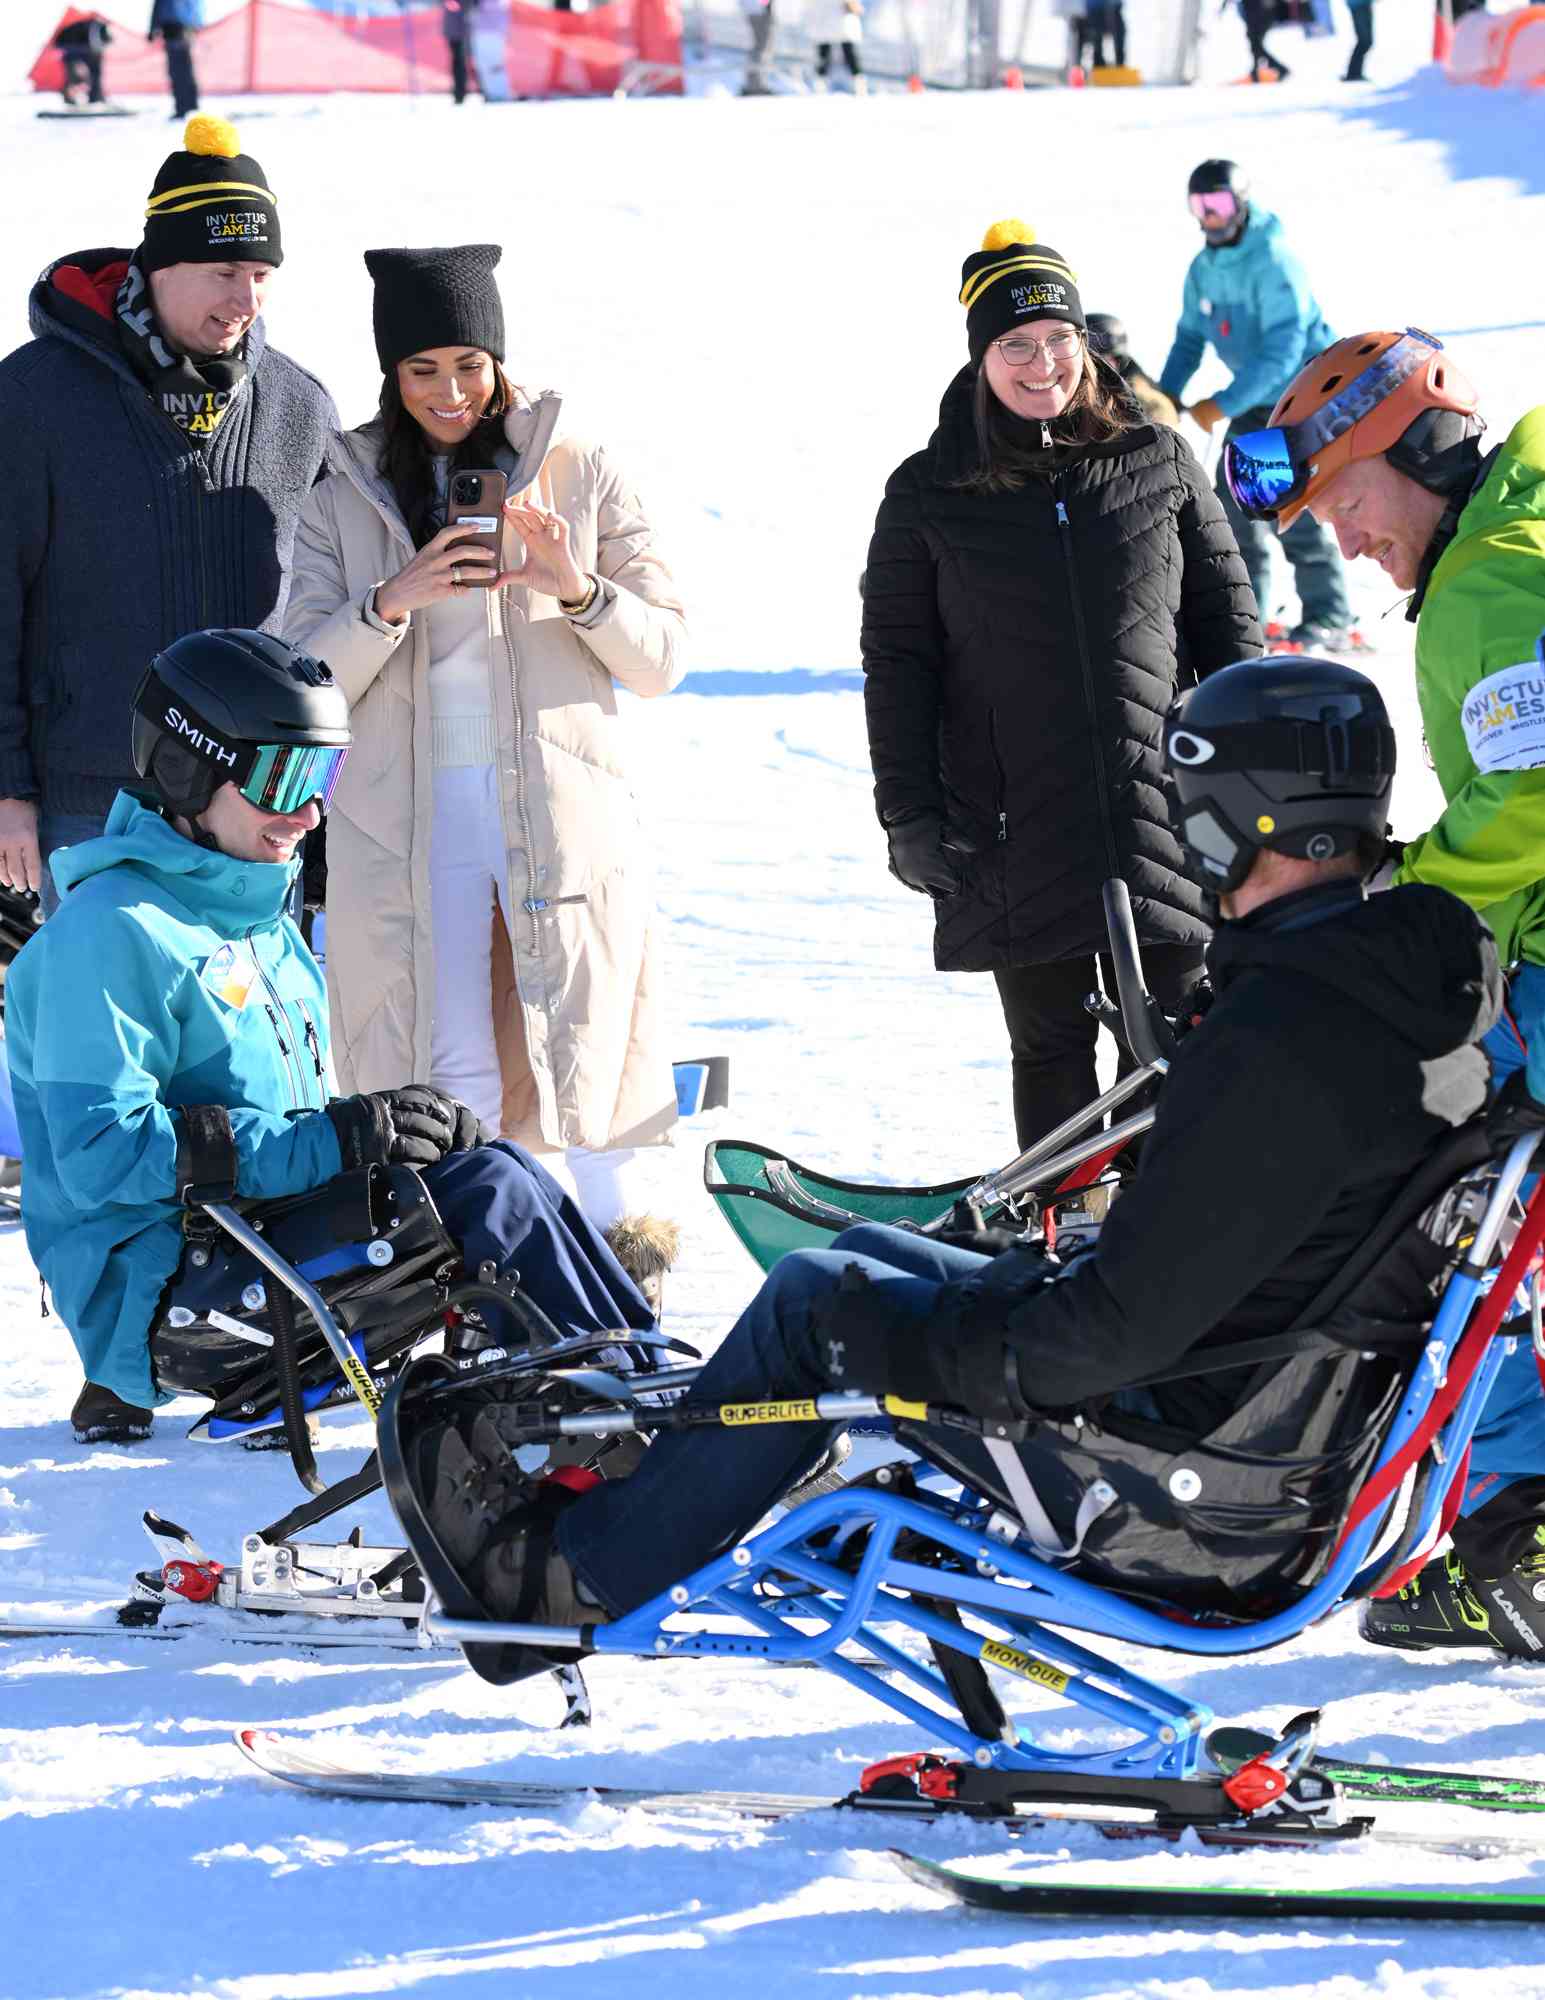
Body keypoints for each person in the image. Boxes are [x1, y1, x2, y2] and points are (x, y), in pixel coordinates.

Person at [393, 656, 1516, 1656]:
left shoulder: (1282, 1042)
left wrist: (947, 1339)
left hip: (1189, 1491)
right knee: (879, 1254)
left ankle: (562, 1578)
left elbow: (1105, 1336)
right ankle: (651, 1495)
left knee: (819, 1303)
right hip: (1252, 1430)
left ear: (1243, 822)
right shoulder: (1415, 1003)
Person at [4, 630, 656, 1447]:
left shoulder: (253, 919)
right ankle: (622, 1411)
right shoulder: (107, 937)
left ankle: (644, 1377)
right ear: (187, 770)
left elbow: (281, 1122)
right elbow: (102, 1154)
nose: (308, 813)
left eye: (321, 778)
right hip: (165, 1296)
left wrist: (382, 1129)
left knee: (494, 1166)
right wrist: (342, 1140)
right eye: (282, 778)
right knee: (484, 1195)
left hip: (241, 1245)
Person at [1220, 328, 1545, 1648]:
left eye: (1347, 499)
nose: (1345, 542)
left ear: (1414, 450)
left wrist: (1393, 900)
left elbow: (1530, 798)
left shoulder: (1486, 588)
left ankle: (1515, 1532)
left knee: (1444, 1217)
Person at [283, 245, 686, 1290]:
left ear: (500, 361)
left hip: (559, 804)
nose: (450, 392)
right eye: (422, 370)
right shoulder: (345, 491)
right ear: (392, 377)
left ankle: (621, 1265)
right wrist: (393, 598)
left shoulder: (578, 470)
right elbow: (298, 673)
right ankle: (476, 1272)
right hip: (404, 817)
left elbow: (664, 656)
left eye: (468, 363)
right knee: (439, 1044)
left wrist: (576, 584)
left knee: (583, 1037)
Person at [860, 221, 1261, 1155]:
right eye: (1015, 345)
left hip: (1161, 807)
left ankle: (1162, 1246)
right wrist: (907, 813)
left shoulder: (1157, 461)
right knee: (1047, 1047)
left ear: (1084, 344)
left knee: (1169, 1042)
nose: (1041, 364)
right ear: (980, 356)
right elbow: (899, 667)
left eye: (1057, 341)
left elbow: (1228, 629)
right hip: (1008, 819)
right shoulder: (928, 492)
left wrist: (1249, 785)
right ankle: (1062, 1240)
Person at [0, 114, 335, 921]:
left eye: (260, 274)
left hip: (256, 805)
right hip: (89, 802)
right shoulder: (33, 399)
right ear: (157, 263)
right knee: (97, 1038)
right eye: (223, 271)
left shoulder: (298, 407)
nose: (244, 299)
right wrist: (7, 786)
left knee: (240, 1043)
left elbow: (330, 603)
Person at [1159, 162, 1355, 653]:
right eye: (1200, 207)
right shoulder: (1203, 270)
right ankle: (1252, 616)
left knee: (1290, 505)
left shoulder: (1273, 259)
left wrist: (1222, 403)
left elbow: (1283, 352)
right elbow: (1188, 339)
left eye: (1219, 205)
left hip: (1303, 398)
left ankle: (1329, 614)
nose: (1210, 217)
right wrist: (1164, 397)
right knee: (1232, 508)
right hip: (1257, 400)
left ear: (1241, 203)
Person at [1084, 313, 1179, 427]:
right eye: (1087, 362)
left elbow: (1162, 431)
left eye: (1102, 362)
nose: (1093, 370)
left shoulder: (1145, 399)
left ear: (1117, 361)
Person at [149, 0, 202, 117]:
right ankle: (190, 104)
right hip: (185, 28)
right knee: (185, 68)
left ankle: (183, 106)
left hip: (174, 29)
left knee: (178, 70)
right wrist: (196, 25)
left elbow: (159, 7)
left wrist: (152, 28)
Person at [53, 17, 112, 107]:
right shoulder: (91, 30)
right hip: (70, 47)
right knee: (75, 76)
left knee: (94, 72)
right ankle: (71, 99)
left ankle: (95, 98)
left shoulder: (97, 31)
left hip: (80, 48)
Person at [811, 0, 866, 91]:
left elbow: (854, 6)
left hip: (841, 20)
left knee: (849, 53)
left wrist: (853, 5)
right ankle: (820, 86)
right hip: (825, 18)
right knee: (823, 54)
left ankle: (860, 86)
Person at [1238, 0, 1289, 78]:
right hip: (1255, 16)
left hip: (1261, 16)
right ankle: (1256, 71)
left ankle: (1280, 69)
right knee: (1255, 45)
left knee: (1256, 45)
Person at [741, 0, 777, 94]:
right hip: (758, 10)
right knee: (760, 47)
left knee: (761, 47)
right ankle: (755, 84)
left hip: (758, 9)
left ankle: (757, 82)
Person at [1344, 0, 1375, 79]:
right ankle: (1353, 74)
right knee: (1364, 41)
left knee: (1367, 41)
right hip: (1357, 5)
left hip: (1365, 4)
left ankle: (1355, 73)